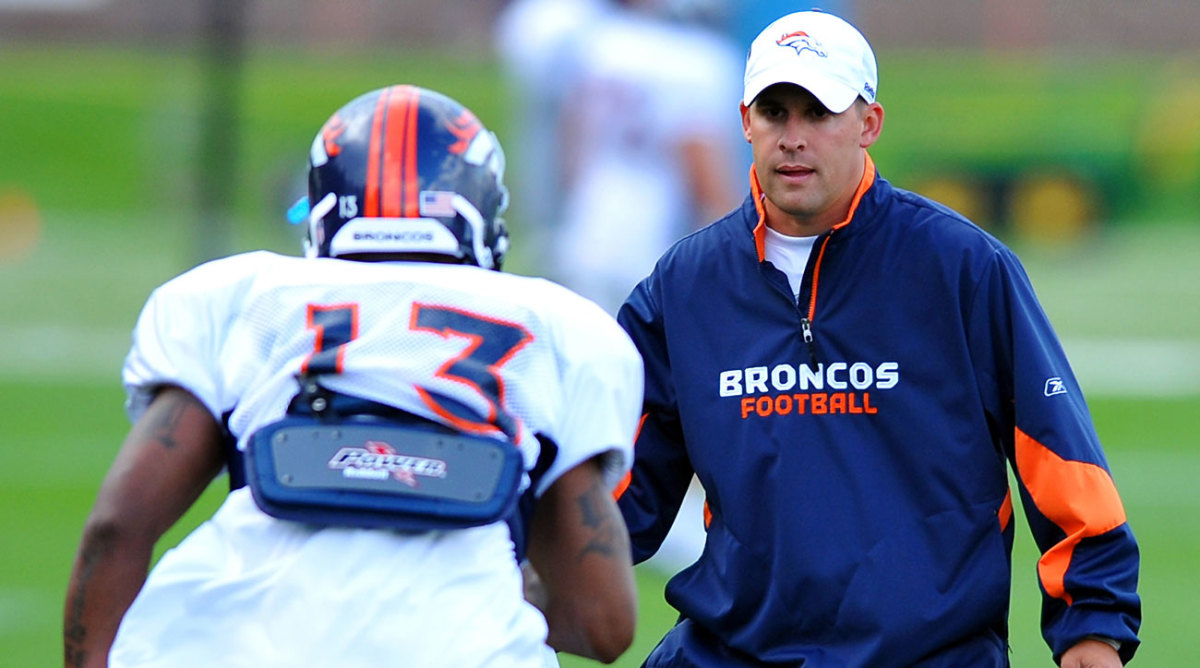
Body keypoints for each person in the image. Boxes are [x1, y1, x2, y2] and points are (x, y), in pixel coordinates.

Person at [614, 10, 1141, 668]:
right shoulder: (684, 287)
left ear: (869, 124)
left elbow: (1062, 460)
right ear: (745, 121)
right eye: (775, 112)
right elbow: (612, 491)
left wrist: (1092, 625)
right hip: (733, 651)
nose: (793, 138)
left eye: (819, 112)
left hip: (927, 656)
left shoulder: (959, 267)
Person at [63, 84, 642, 667]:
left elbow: (117, 527)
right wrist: (500, 586)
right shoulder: (560, 328)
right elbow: (602, 623)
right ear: (483, 208)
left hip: (231, 644)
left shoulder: (241, 298)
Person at [548, 0, 745, 315]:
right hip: (650, 245)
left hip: (587, 227)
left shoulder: (601, 43)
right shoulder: (697, 62)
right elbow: (703, 172)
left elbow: (569, 147)